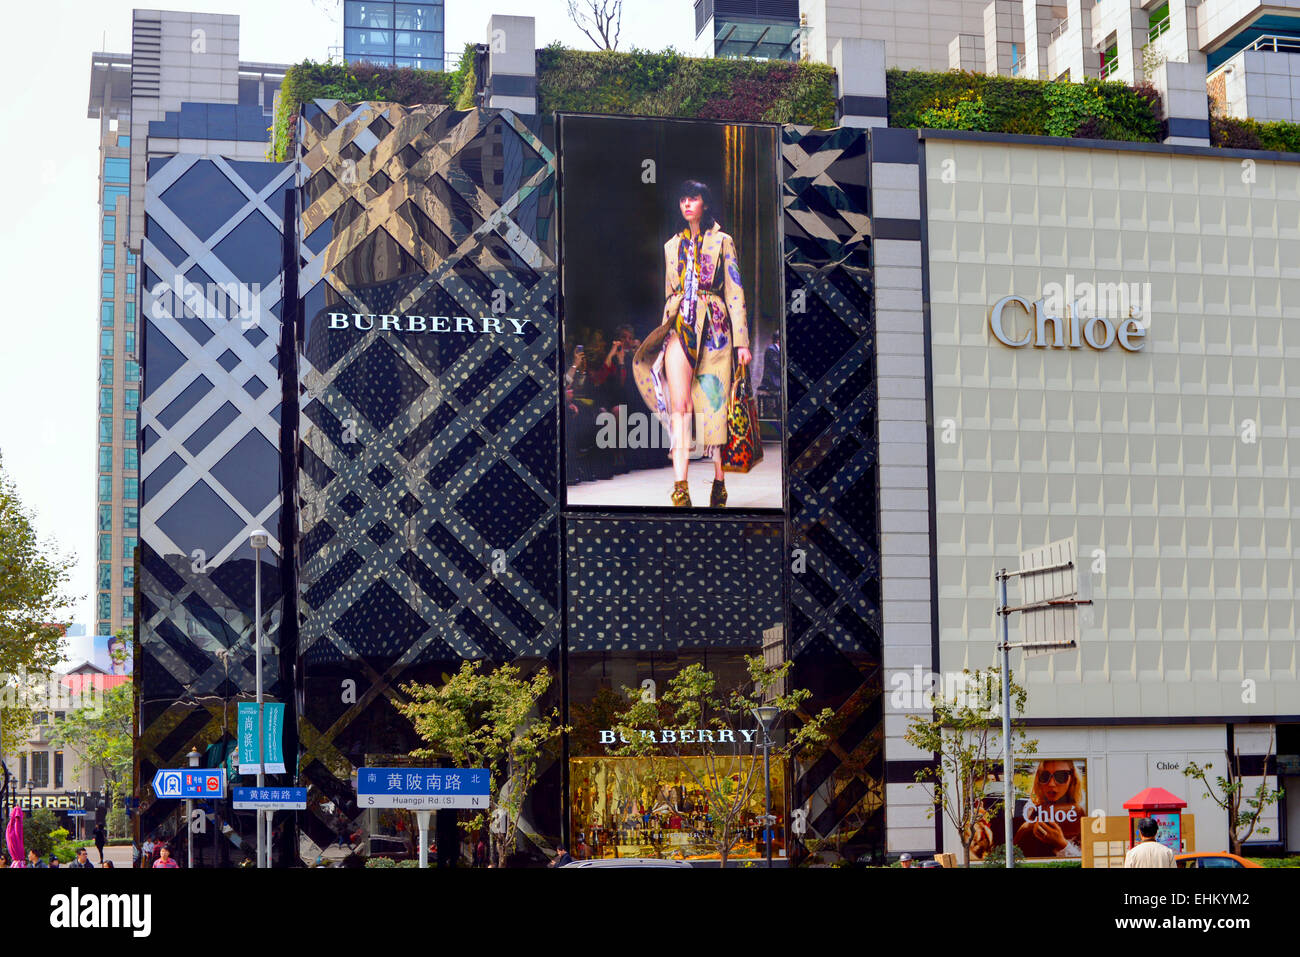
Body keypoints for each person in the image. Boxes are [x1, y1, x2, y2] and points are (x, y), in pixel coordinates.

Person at [633, 180, 752, 508]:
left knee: (713, 407)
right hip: (679, 326)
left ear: (705, 203)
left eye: (693, 198)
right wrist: (664, 329)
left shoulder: (723, 241)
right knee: (680, 406)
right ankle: (681, 486)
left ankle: (719, 479)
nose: (687, 204)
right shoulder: (672, 245)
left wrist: (742, 341)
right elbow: (669, 291)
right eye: (682, 198)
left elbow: (735, 290)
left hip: (715, 330)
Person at [1014, 760, 1084, 859]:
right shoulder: (1031, 820)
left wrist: (1061, 844)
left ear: (1072, 779)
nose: (1051, 784)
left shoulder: (1084, 812)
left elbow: (1089, 861)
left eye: (1061, 776)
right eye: (1044, 776)